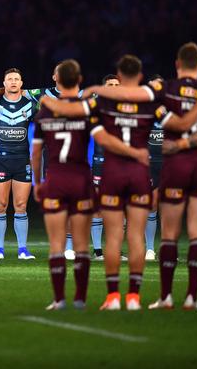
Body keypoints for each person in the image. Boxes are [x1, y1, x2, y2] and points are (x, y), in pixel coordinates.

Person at [55, 51, 197, 310]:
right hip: (141, 171)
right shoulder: (152, 104)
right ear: (140, 76)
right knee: (139, 235)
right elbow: (181, 124)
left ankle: (114, 297)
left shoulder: (101, 102)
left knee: (114, 235)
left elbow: (70, 111)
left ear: (177, 63)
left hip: (112, 171)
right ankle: (138, 297)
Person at [32, 59, 148, 310]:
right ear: (80, 80)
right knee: (84, 244)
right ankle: (82, 299)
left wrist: (37, 182)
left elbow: (36, 152)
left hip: (56, 178)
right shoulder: (89, 110)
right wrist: (134, 152)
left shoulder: (46, 111)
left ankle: (60, 299)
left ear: (58, 81)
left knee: (57, 243)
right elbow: (103, 139)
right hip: (82, 179)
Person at [0, 68, 37, 260]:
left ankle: (22, 249)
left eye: (17, 79)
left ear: (21, 84)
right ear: (4, 83)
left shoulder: (31, 105)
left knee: (21, 205)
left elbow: (46, 124)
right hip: (1, 160)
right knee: (0, 205)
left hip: (22, 160)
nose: (13, 82)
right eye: (10, 79)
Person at [89, 74, 120, 261]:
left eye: (117, 84)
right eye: (110, 85)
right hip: (101, 162)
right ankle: (98, 250)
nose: (114, 87)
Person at [145, 74, 165, 261]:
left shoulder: (173, 108)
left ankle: (168, 248)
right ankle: (150, 248)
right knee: (152, 204)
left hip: (169, 162)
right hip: (150, 162)